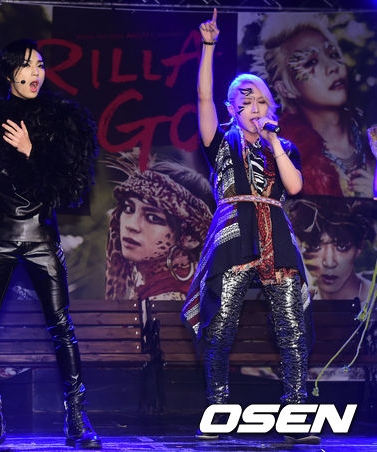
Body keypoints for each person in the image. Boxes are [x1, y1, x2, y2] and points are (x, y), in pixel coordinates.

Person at [181, 10, 317, 444]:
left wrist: (274, 141)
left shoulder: (285, 145)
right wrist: (208, 48)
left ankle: (296, 412)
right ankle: (218, 408)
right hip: (234, 232)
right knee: (221, 325)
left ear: (270, 105)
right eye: (245, 102)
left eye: (260, 100)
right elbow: (203, 97)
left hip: (276, 233)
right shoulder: (221, 140)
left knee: (291, 328)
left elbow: (293, 186)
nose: (253, 108)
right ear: (232, 109)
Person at [0, 39, 101, 450]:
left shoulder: (59, 119)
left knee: (61, 325)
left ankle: (76, 415)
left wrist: (30, 149)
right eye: (27, 66)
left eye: (40, 65)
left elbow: (70, 185)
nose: (36, 72)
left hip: (40, 234)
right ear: (9, 73)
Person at [258, 14, 375, 198]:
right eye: (311, 62)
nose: (332, 67)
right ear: (285, 89)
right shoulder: (286, 152)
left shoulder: (371, 137)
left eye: (333, 54)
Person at [105, 152, 213, 302]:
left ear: (190, 238)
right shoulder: (151, 287)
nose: (132, 226)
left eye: (153, 218)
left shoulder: (167, 298)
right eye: (129, 208)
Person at [287, 197, 375, 303]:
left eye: (342, 246)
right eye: (315, 246)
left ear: (359, 247)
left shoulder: (373, 300)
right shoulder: (298, 301)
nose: (329, 263)